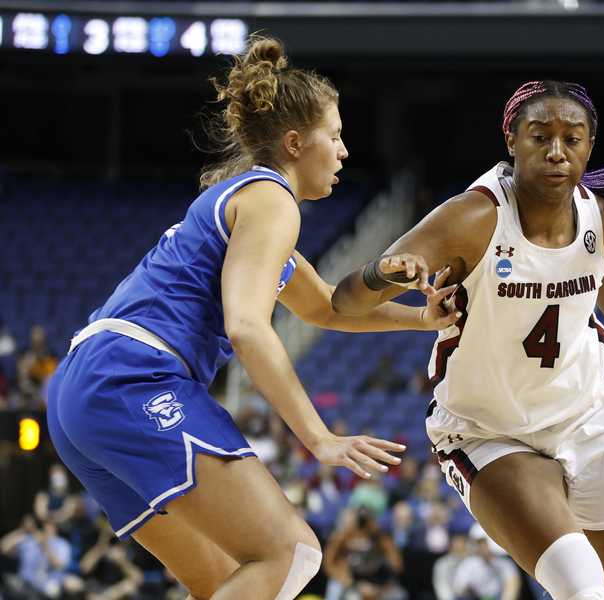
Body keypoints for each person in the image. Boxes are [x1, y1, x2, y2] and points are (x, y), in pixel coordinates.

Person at [46, 36, 458, 600]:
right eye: (334, 136)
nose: (343, 152)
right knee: (292, 552)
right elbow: (245, 327)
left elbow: (329, 307)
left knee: (224, 582)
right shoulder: (272, 200)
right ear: (294, 142)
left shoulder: (249, 206)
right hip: (132, 377)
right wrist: (318, 437)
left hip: (83, 393)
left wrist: (421, 319)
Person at [332, 80, 604, 600]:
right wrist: (382, 273)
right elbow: (345, 302)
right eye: (540, 137)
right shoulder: (473, 218)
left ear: (589, 145)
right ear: (512, 140)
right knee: (583, 590)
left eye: (572, 138)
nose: (557, 152)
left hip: (586, 420)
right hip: (489, 432)